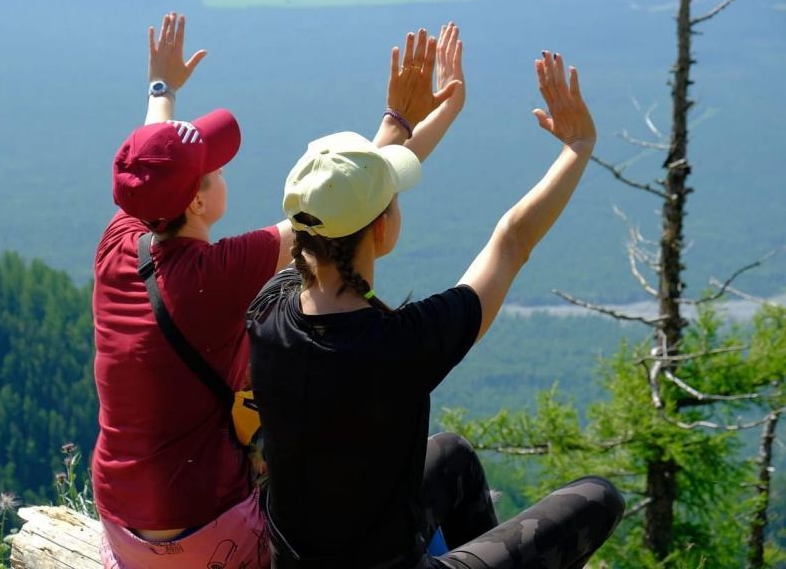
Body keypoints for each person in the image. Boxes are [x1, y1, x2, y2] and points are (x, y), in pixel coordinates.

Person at [90, 12, 461, 569]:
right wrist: (401, 120)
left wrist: (161, 91)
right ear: (196, 202)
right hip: (204, 538)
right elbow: (342, 206)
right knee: (375, 499)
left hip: (122, 529)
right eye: (213, 169)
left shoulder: (121, 238)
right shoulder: (219, 274)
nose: (222, 170)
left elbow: (146, 168)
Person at [247, 43, 625, 568]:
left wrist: (401, 121)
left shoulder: (269, 307)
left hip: (294, 560)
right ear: (382, 227)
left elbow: (342, 201)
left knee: (454, 456)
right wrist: (578, 145)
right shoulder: (402, 345)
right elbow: (511, 241)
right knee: (598, 497)